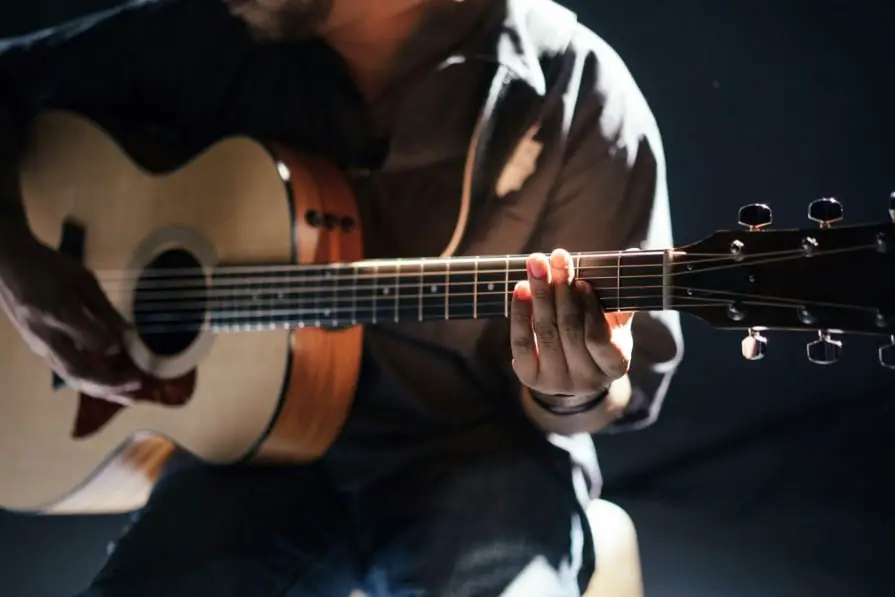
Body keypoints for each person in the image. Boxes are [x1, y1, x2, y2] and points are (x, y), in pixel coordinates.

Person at [0, 0, 683, 595]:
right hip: (248, 465)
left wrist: (571, 385)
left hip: (478, 459)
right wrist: (19, 264)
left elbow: (607, 395)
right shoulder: (209, 32)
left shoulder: (575, 92)